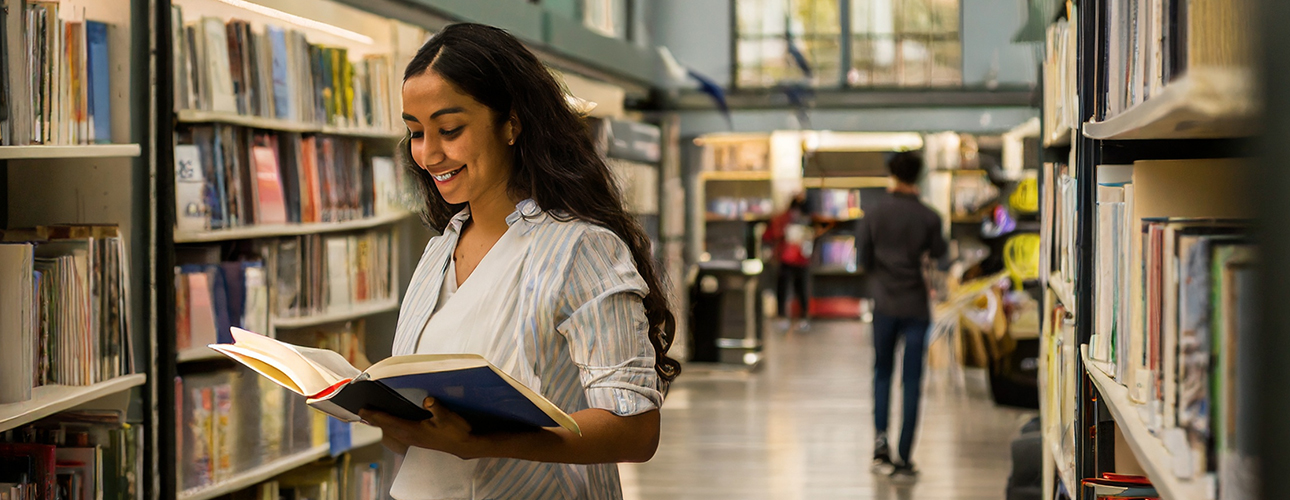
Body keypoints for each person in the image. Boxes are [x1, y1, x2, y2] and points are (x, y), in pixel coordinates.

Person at [356, 23, 680, 499]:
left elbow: (634, 429)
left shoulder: (579, 248)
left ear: (512, 122)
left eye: (449, 130)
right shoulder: (439, 250)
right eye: (415, 133)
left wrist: (483, 442)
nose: (428, 154)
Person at [860, 151, 947, 483]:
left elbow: (863, 257)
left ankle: (880, 444)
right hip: (915, 307)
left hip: (883, 304)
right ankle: (905, 456)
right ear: (919, 176)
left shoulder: (874, 213)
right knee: (912, 381)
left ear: (892, 175)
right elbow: (940, 252)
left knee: (882, 373)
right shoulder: (929, 216)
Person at [763, 192, 814, 330]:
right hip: (788, 259)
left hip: (797, 259)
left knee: (797, 289)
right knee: (787, 289)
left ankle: (797, 316)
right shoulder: (785, 219)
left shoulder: (800, 219)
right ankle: (788, 316)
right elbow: (770, 235)